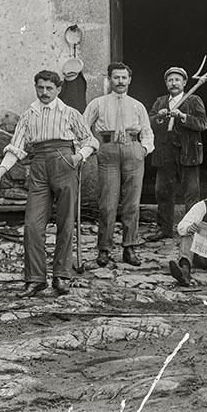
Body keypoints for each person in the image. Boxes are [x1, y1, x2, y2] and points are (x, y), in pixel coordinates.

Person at [0, 70, 99, 297]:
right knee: (32, 225)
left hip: (65, 164)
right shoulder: (29, 115)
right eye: (40, 88)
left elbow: (90, 140)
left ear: (58, 90)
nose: (44, 92)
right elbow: (16, 147)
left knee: (65, 223)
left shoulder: (70, 113)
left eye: (49, 88)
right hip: (39, 166)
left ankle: (61, 276)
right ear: (35, 87)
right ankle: (36, 279)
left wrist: (80, 156)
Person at [83, 62, 154, 267]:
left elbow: (147, 132)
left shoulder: (137, 105)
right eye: (116, 77)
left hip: (133, 150)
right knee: (107, 203)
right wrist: (94, 144)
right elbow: (82, 125)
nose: (120, 81)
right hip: (108, 151)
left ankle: (129, 247)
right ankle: (104, 249)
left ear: (129, 80)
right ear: (110, 79)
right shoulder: (98, 103)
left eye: (124, 77)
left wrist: (144, 149)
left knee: (132, 202)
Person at [148, 66, 207, 241]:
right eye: (170, 80)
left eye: (177, 80)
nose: (174, 83)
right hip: (165, 152)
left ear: (184, 83)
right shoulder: (160, 102)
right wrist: (159, 117)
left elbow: (203, 124)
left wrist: (183, 116)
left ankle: (190, 230)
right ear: (166, 83)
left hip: (188, 152)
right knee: (163, 191)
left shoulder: (194, 100)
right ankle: (164, 229)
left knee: (191, 193)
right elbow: (149, 123)